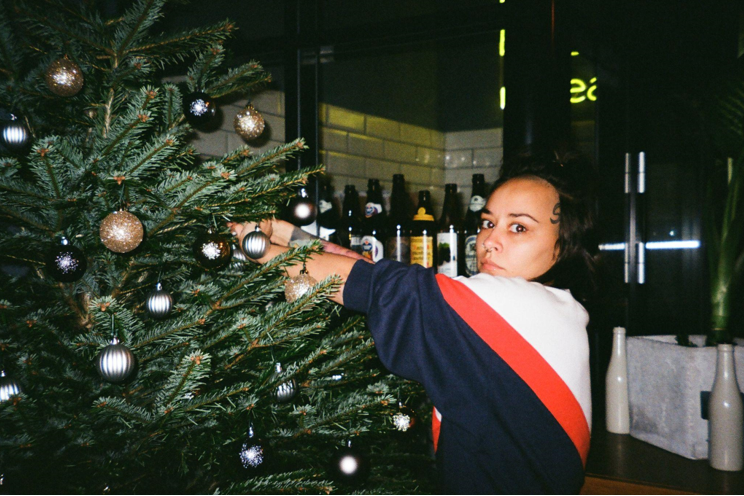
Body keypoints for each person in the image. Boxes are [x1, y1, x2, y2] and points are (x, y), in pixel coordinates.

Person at [228, 150, 599, 494]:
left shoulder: (513, 303)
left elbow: (370, 285)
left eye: (518, 228)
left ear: (562, 245)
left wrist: (250, 244)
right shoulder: (557, 310)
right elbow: (371, 270)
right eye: (488, 222)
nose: (489, 241)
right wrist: (280, 232)